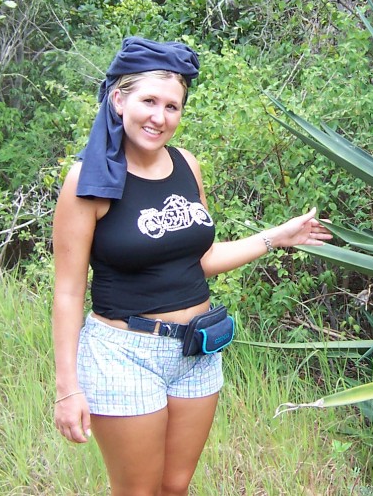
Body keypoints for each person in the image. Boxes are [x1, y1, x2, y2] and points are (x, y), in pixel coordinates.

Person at [51, 36, 331, 495]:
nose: (159, 117)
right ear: (119, 99)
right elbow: (67, 291)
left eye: (172, 106)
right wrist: (68, 388)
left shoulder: (187, 165)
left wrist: (275, 238)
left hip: (197, 351)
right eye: (148, 101)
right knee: (137, 492)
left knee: (176, 486)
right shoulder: (89, 181)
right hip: (124, 353)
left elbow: (202, 260)